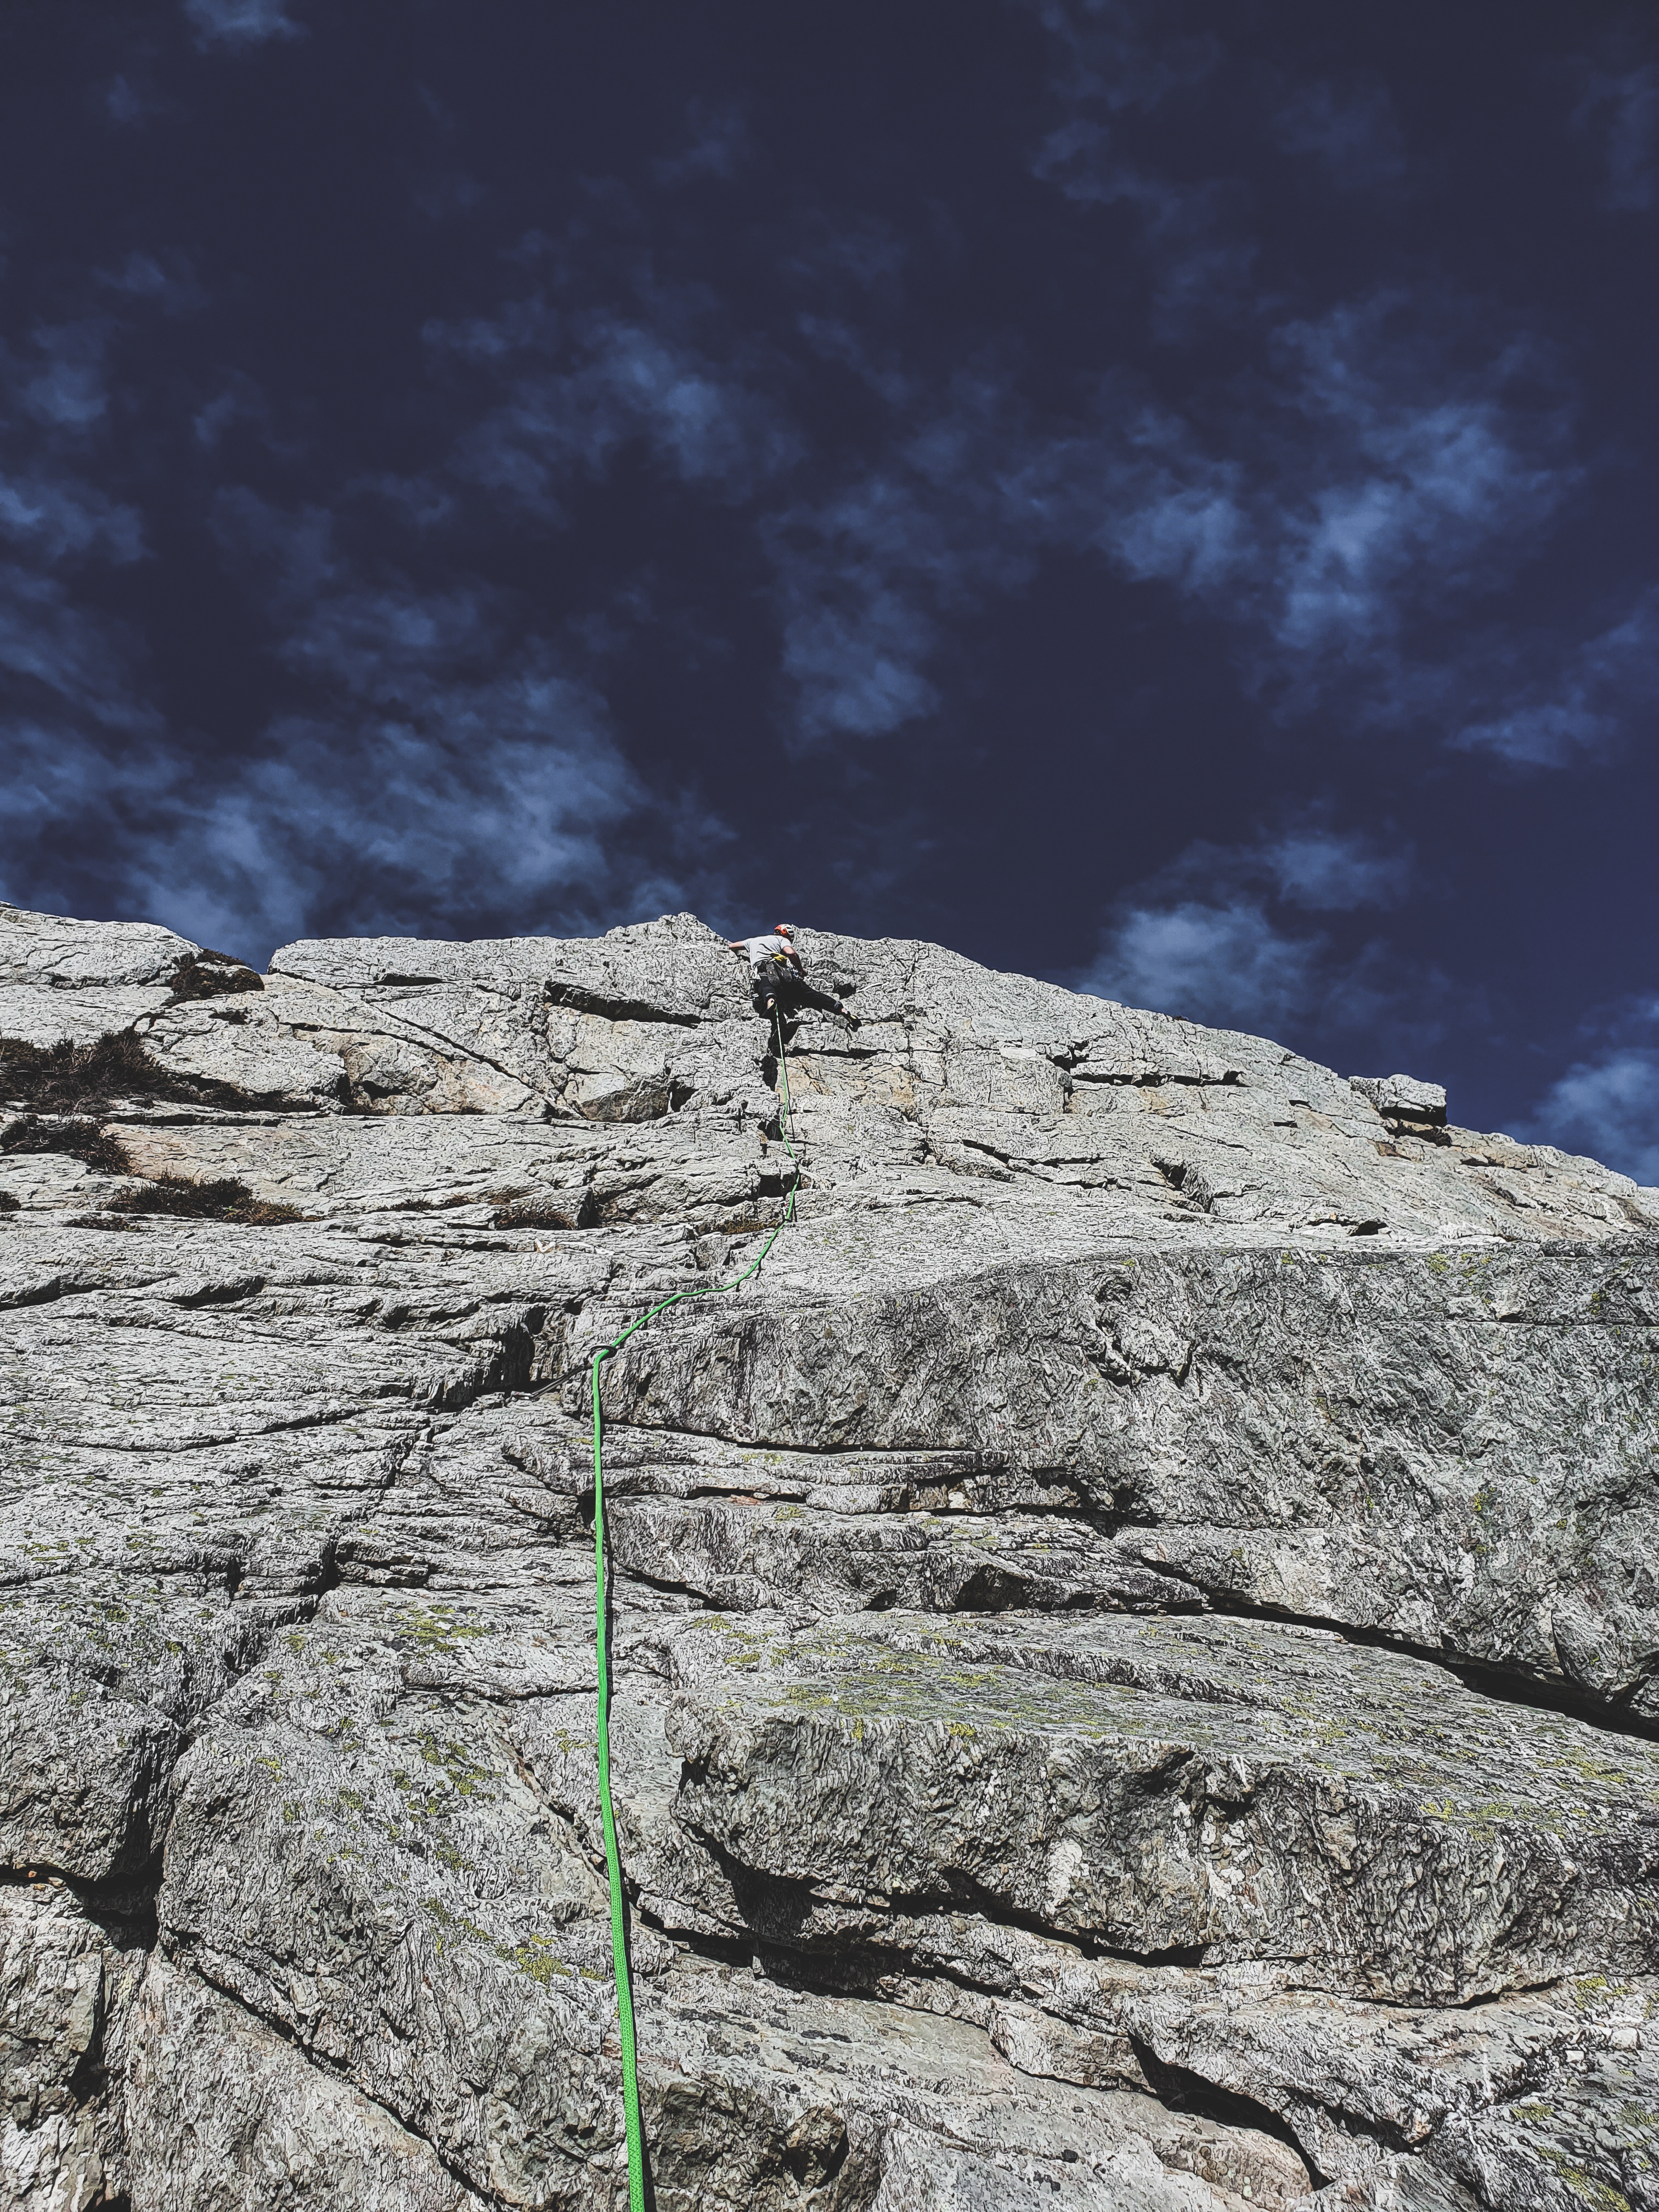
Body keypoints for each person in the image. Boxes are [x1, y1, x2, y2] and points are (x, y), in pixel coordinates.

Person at [731, 923, 803, 1017]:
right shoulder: (782, 940)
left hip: (762, 966)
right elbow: (791, 953)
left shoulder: (753, 941)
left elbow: (733, 946)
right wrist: (801, 970)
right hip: (779, 967)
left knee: (765, 984)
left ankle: (771, 1001)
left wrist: (731, 950)